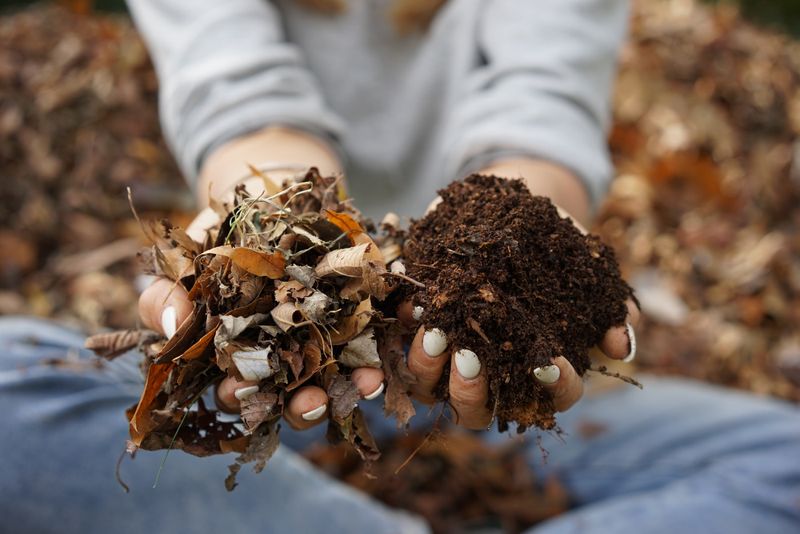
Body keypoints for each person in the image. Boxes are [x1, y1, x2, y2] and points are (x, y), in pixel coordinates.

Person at [1, 1, 798, 532]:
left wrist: (533, 242)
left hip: (448, 366)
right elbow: (241, 100)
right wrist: (268, 218)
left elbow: (541, 115)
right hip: (299, 388)